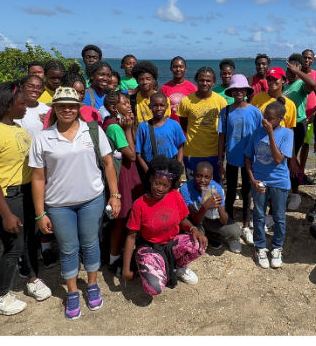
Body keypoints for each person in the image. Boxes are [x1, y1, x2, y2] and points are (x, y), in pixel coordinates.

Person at [29, 86, 121, 320]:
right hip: (59, 205)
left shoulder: (92, 131)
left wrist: (115, 194)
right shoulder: (42, 138)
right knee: (69, 248)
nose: (67, 109)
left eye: (72, 105)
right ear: (55, 108)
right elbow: (38, 177)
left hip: (92, 199)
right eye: (62, 105)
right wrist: (40, 213)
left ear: (79, 108)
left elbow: (109, 164)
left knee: (91, 244)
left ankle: (91, 285)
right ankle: (71, 291)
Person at [0, 81, 52, 316]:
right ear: (7, 105)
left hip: (26, 191)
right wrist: (6, 214)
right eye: (21, 102)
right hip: (7, 195)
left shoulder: (16, 128)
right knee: (13, 246)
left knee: (29, 240)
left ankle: (32, 278)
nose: (26, 106)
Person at [122, 155, 208, 296]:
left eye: (165, 185)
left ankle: (178, 267)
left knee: (199, 244)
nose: (160, 188)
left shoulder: (174, 195)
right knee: (154, 289)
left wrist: (194, 229)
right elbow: (131, 237)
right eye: (157, 183)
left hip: (171, 243)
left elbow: (182, 220)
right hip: (150, 246)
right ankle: (154, 266)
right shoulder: (139, 204)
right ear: (150, 179)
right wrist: (126, 270)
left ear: (171, 186)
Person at [244, 100, 293, 269]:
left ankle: (277, 247)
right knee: (258, 215)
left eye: (270, 118)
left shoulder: (287, 134)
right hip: (260, 180)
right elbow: (248, 157)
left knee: (279, 217)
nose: (265, 121)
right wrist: (252, 179)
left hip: (279, 181)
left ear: (280, 118)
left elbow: (279, 159)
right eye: (265, 116)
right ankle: (260, 247)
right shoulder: (256, 133)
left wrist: (271, 134)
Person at [101, 90, 144, 276]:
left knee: (126, 218)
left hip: (126, 174)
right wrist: (128, 129)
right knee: (121, 220)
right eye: (124, 103)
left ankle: (120, 253)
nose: (129, 106)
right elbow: (132, 155)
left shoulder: (115, 123)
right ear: (112, 108)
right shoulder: (115, 128)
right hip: (123, 176)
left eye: (128, 102)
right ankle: (114, 257)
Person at [217, 74, 262, 245]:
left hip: (250, 159)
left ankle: (245, 226)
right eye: (235, 90)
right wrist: (220, 160)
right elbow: (222, 137)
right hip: (232, 158)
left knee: (247, 192)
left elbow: (259, 136)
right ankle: (229, 224)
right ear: (231, 91)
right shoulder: (226, 111)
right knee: (230, 193)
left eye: (241, 90)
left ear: (246, 91)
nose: (238, 92)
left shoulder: (255, 111)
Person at [180, 161, 242, 252]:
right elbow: (195, 220)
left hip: (212, 220)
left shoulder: (217, 188)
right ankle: (208, 236)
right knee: (195, 244)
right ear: (193, 175)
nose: (202, 180)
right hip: (196, 220)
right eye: (199, 176)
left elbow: (224, 221)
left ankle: (216, 236)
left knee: (235, 231)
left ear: (211, 177)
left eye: (206, 177)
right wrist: (205, 207)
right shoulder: (185, 188)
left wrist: (220, 207)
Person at [178, 67, 227, 180]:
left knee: (212, 187)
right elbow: (184, 125)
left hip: (214, 152)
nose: (205, 83)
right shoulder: (186, 101)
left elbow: (223, 129)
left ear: (213, 82)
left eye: (208, 80)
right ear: (196, 80)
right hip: (192, 152)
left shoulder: (221, 101)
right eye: (202, 80)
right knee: (194, 186)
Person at [283, 53, 316, 210]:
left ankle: (295, 194)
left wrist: (298, 71)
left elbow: (313, 84)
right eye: (287, 70)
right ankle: (288, 189)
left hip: (298, 125)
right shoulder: (287, 86)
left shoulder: (301, 84)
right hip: (285, 125)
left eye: (291, 70)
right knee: (286, 159)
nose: (289, 73)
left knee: (292, 160)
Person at [136, 92, 185, 175]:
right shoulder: (143, 126)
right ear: (150, 107)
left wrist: (178, 167)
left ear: (167, 106)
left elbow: (180, 147)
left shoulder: (174, 125)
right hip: (150, 167)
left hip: (170, 166)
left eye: (162, 105)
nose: (159, 108)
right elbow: (138, 153)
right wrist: (148, 172)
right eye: (155, 105)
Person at [298, 49, 316, 186]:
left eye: (309, 58)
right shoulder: (295, 74)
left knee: (305, 145)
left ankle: (301, 173)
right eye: (304, 57)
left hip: (310, 118)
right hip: (296, 117)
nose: (307, 60)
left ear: (313, 60)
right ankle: (295, 170)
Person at [131, 61, 171, 126]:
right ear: (137, 81)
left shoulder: (163, 99)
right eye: (141, 79)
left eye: (148, 79)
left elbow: (165, 123)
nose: (145, 82)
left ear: (153, 80)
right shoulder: (132, 100)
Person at [160, 56, 197, 125]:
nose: (178, 69)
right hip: (169, 128)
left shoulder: (193, 88)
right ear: (171, 69)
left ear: (185, 69)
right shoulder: (164, 88)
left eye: (181, 67)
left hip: (187, 129)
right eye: (175, 67)